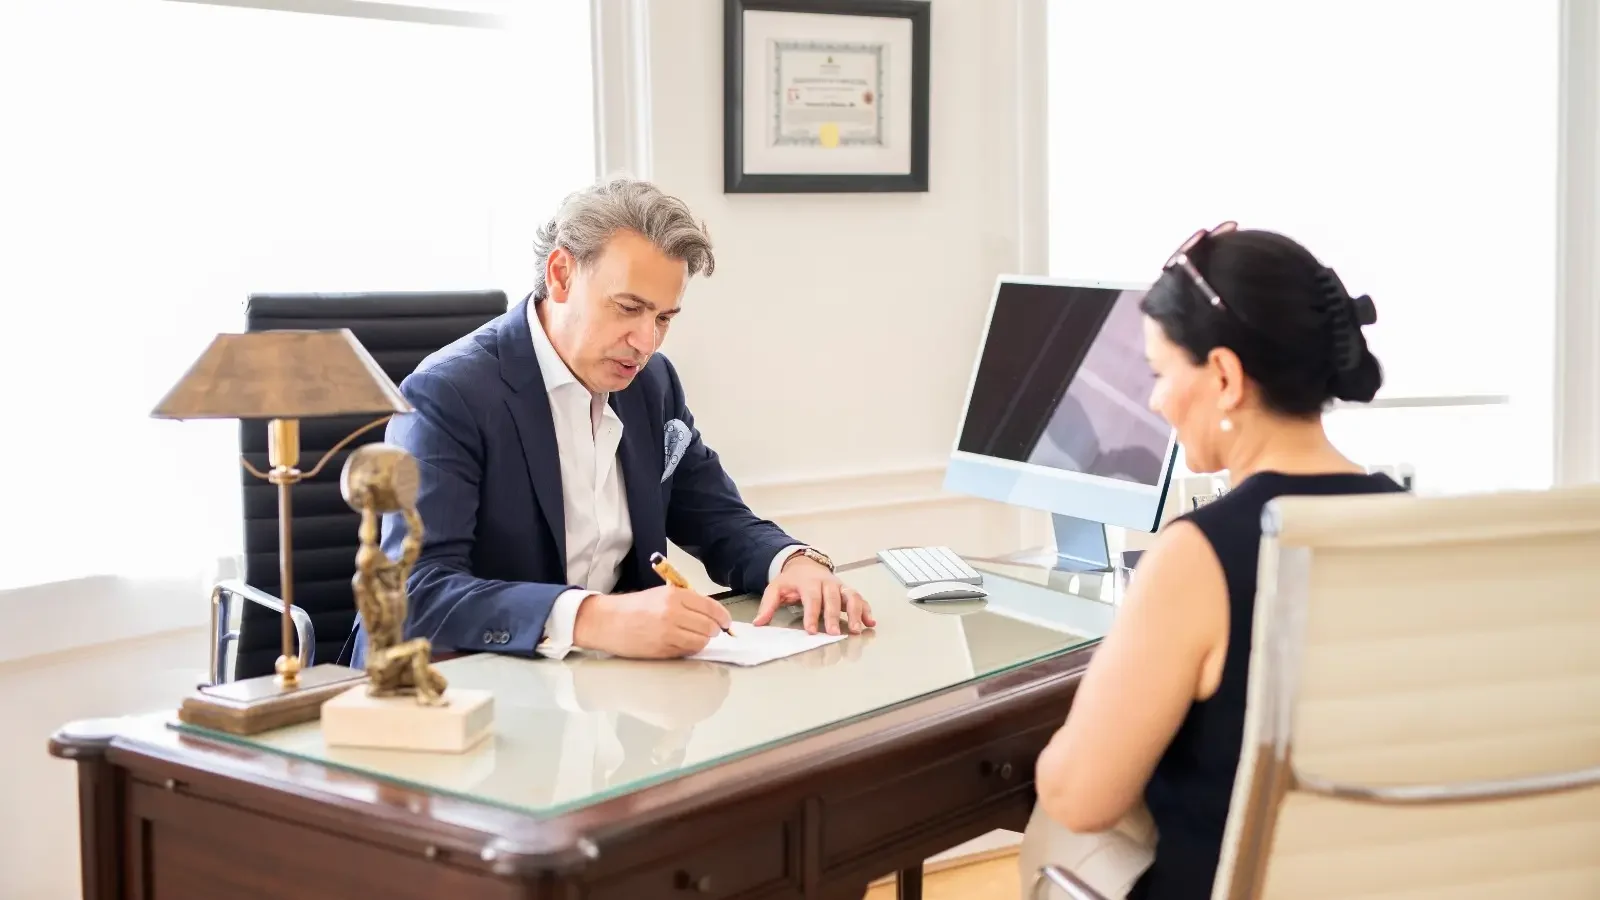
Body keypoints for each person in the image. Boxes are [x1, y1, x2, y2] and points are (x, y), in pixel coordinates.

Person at [345, 178, 874, 667]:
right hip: (464, 690)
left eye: (664, 318)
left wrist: (793, 562)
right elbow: (414, 593)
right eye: (628, 308)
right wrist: (595, 617)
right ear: (560, 275)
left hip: (602, 694)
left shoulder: (652, 384)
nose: (647, 343)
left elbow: (715, 516)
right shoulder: (448, 393)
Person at [1030, 224, 1407, 898]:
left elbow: (1079, 797)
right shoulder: (1410, 525)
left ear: (1226, 376)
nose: (1154, 400)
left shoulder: (1196, 556)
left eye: (1161, 372)